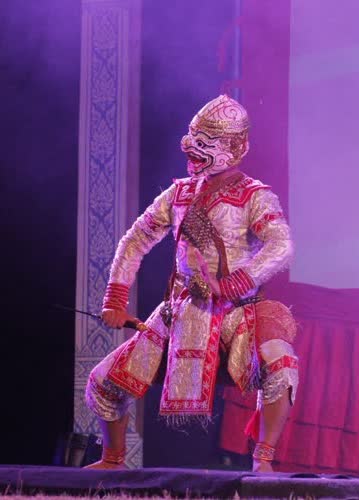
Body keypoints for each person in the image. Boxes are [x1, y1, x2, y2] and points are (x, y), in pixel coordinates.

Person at [85, 94, 299, 472]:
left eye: (206, 143)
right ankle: (113, 459)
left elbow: (281, 246)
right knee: (103, 382)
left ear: (235, 148)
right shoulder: (179, 194)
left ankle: (263, 461)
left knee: (281, 364)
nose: (193, 150)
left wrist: (231, 285)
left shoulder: (255, 196)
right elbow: (135, 240)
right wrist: (115, 299)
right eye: (193, 139)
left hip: (239, 314)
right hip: (182, 313)